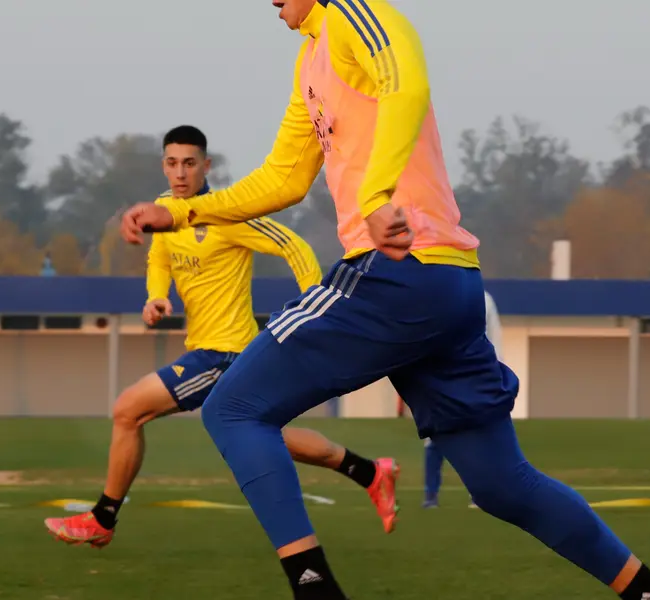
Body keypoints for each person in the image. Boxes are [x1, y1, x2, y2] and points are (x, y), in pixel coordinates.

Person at [117, 2, 650, 600]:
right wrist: (181, 212)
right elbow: (284, 178)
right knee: (500, 484)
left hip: (398, 273)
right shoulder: (311, 55)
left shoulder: (358, 14)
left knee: (231, 408)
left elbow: (407, 87)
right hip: (446, 290)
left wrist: (376, 196)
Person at [45, 125, 399, 549]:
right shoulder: (165, 212)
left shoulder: (228, 215)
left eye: (190, 163)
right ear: (164, 166)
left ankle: (103, 518)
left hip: (224, 354)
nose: (181, 173)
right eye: (173, 163)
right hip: (216, 351)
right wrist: (156, 296)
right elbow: (160, 257)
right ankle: (370, 473)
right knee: (266, 434)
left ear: (206, 166)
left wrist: (313, 306)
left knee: (128, 411)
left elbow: (294, 245)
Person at [418, 290, 501, 508]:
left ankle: (479, 495)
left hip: (473, 377)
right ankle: (430, 495)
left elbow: (494, 339)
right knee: (434, 436)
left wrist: (493, 376)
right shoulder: (436, 296)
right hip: (440, 378)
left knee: (476, 435)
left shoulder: (484, 300)